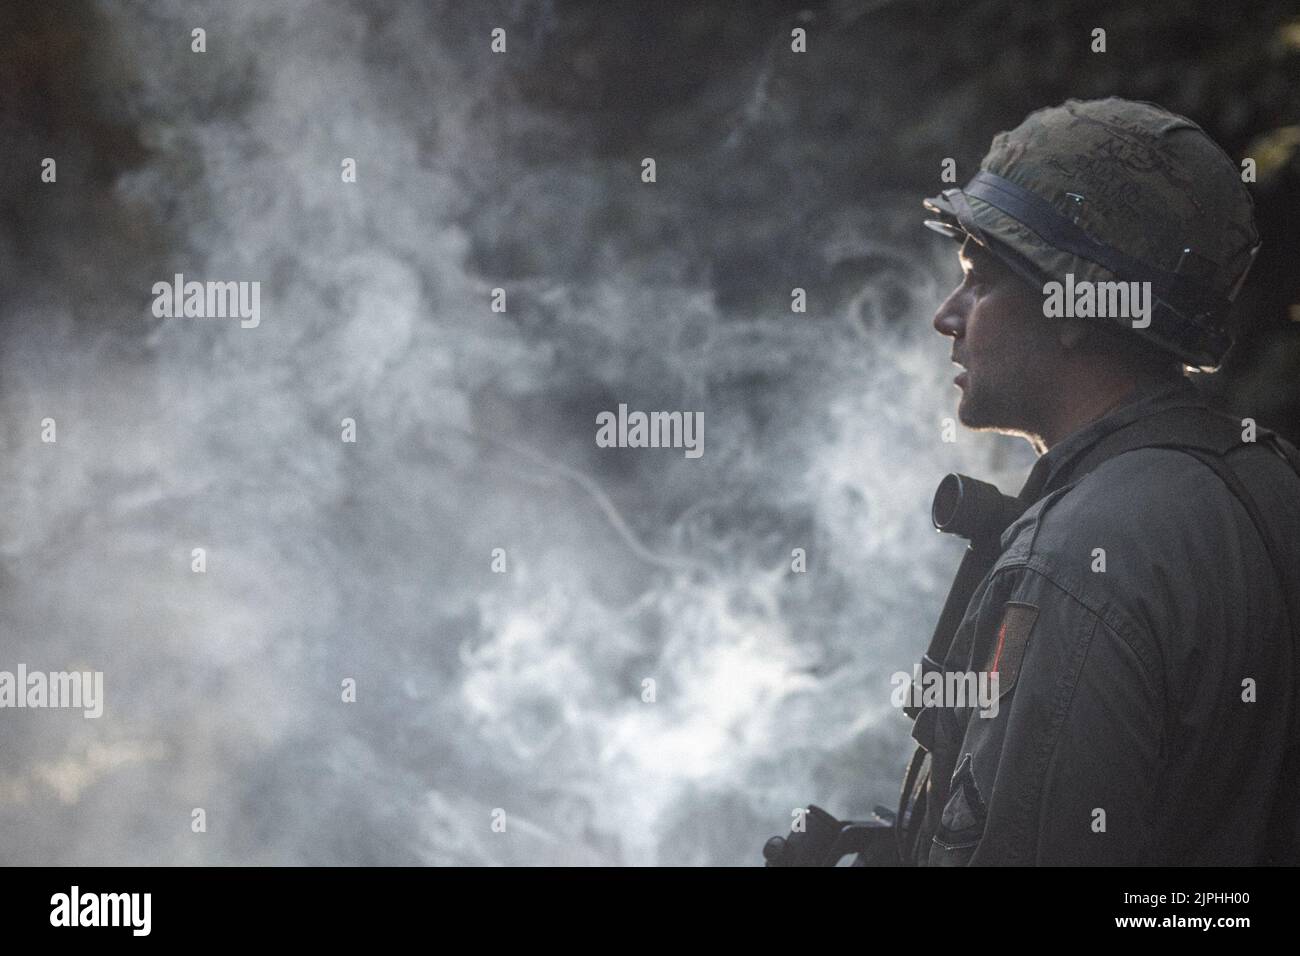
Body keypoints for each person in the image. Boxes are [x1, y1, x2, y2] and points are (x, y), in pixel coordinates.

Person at [894, 97, 1300, 865]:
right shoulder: (1271, 478)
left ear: (1076, 306)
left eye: (978, 281)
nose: (948, 316)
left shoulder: (1080, 557)